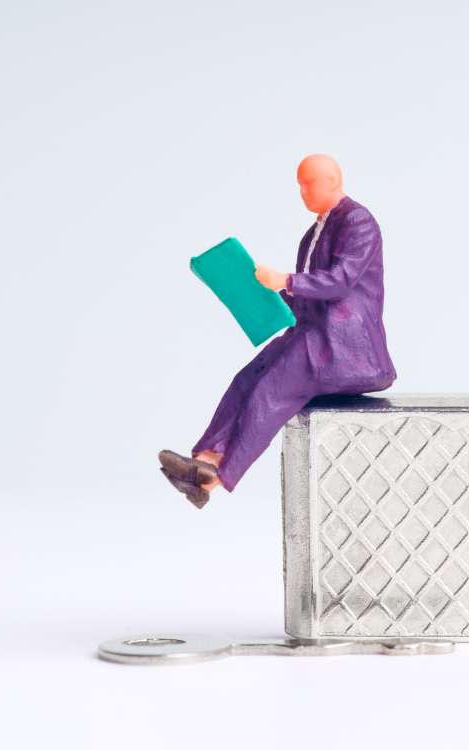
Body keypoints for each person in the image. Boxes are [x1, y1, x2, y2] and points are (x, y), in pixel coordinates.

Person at [159, 154, 396, 508]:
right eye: (299, 184)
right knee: (247, 379)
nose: (302, 191)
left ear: (334, 180)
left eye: (309, 183)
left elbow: (340, 281)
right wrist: (267, 296)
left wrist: (285, 280)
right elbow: (308, 296)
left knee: (270, 391)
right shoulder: (311, 236)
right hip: (312, 333)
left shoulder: (359, 222)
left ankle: (218, 478)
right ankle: (205, 460)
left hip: (344, 346)